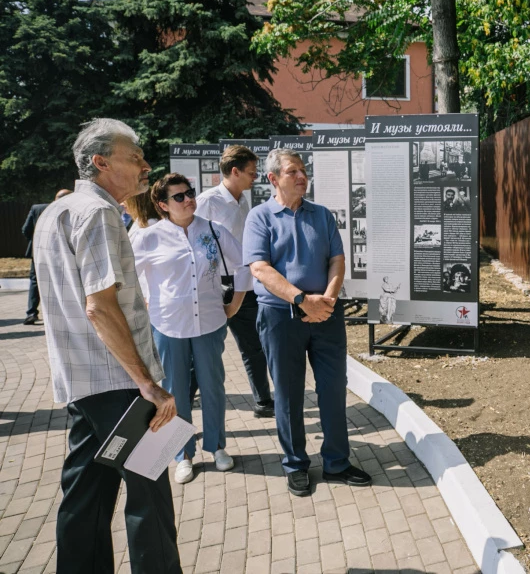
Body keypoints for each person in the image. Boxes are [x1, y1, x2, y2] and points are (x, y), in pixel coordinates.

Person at [32, 118, 180, 573]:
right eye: (134, 156)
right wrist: (148, 385)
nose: (145, 165)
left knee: (86, 498)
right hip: (119, 385)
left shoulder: (56, 213)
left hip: (85, 383)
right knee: (149, 497)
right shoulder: (96, 213)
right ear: (100, 162)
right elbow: (100, 306)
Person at [243, 149, 371, 496]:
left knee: (332, 388)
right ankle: (296, 463)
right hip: (281, 316)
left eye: (303, 170)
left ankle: (336, 463)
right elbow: (260, 269)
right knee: (287, 393)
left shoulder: (322, 215)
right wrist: (302, 301)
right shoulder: (260, 217)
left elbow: (337, 260)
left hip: (326, 314)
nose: (301, 176)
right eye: (292, 172)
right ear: (273, 179)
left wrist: (326, 300)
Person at [132, 173, 250, 484]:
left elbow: (243, 265)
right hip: (168, 326)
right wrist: (144, 304)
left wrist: (234, 304)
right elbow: (127, 278)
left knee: (213, 387)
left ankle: (217, 447)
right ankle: (181, 454)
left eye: (190, 193)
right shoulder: (148, 237)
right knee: (173, 393)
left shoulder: (213, 230)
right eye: (179, 197)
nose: (188, 200)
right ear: (162, 205)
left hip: (210, 322)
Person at [195, 145, 275, 418]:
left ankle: (264, 402)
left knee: (254, 345)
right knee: (207, 349)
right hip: (216, 286)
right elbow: (195, 243)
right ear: (234, 171)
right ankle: (183, 398)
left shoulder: (242, 200)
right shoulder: (208, 202)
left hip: (247, 283)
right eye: (251, 173)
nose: (256, 178)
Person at [21, 189, 71, 325]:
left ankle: (31, 313)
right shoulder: (71, 212)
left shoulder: (38, 209)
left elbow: (26, 230)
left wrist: (37, 242)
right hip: (62, 254)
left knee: (35, 281)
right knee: (61, 281)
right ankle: (59, 314)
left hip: (38, 252)